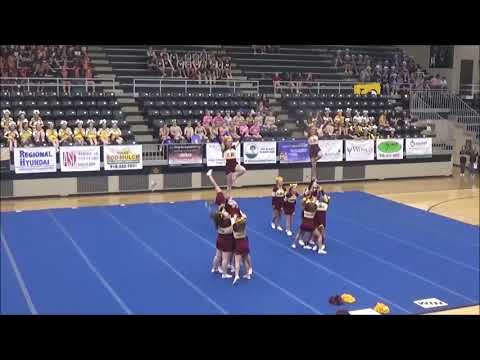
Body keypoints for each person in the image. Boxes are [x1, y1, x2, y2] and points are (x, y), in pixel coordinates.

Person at [232, 211, 253, 284]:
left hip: (238, 246)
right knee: (244, 260)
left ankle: (236, 275)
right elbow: (245, 217)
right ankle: (247, 274)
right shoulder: (244, 229)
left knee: (237, 262)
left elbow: (233, 222)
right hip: (245, 245)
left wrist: (234, 218)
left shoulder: (234, 230)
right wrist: (239, 211)